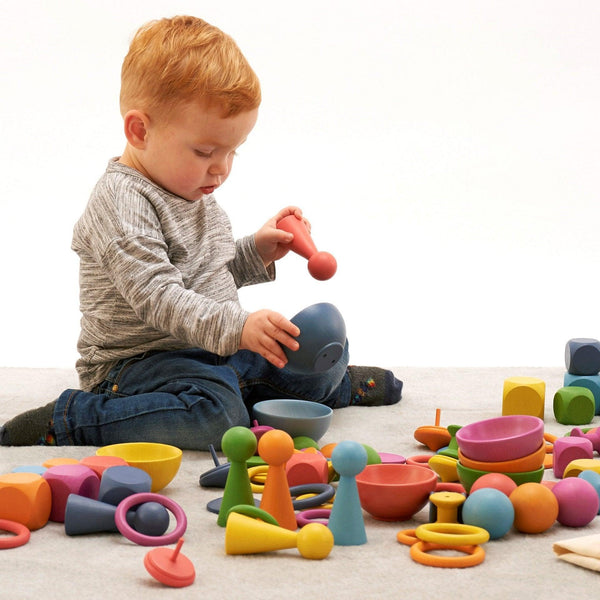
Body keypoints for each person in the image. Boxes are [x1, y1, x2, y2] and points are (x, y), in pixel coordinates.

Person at [0, 16, 402, 450]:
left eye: (232, 152)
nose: (221, 168)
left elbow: (207, 271)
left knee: (312, 348)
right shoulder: (121, 202)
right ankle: (72, 419)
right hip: (138, 366)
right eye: (206, 151)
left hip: (208, 351)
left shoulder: (189, 184)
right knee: (218, 417)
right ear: (140, 130)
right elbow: (162, 298)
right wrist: (240, 326)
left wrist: (257, 251)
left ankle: (319, 383)